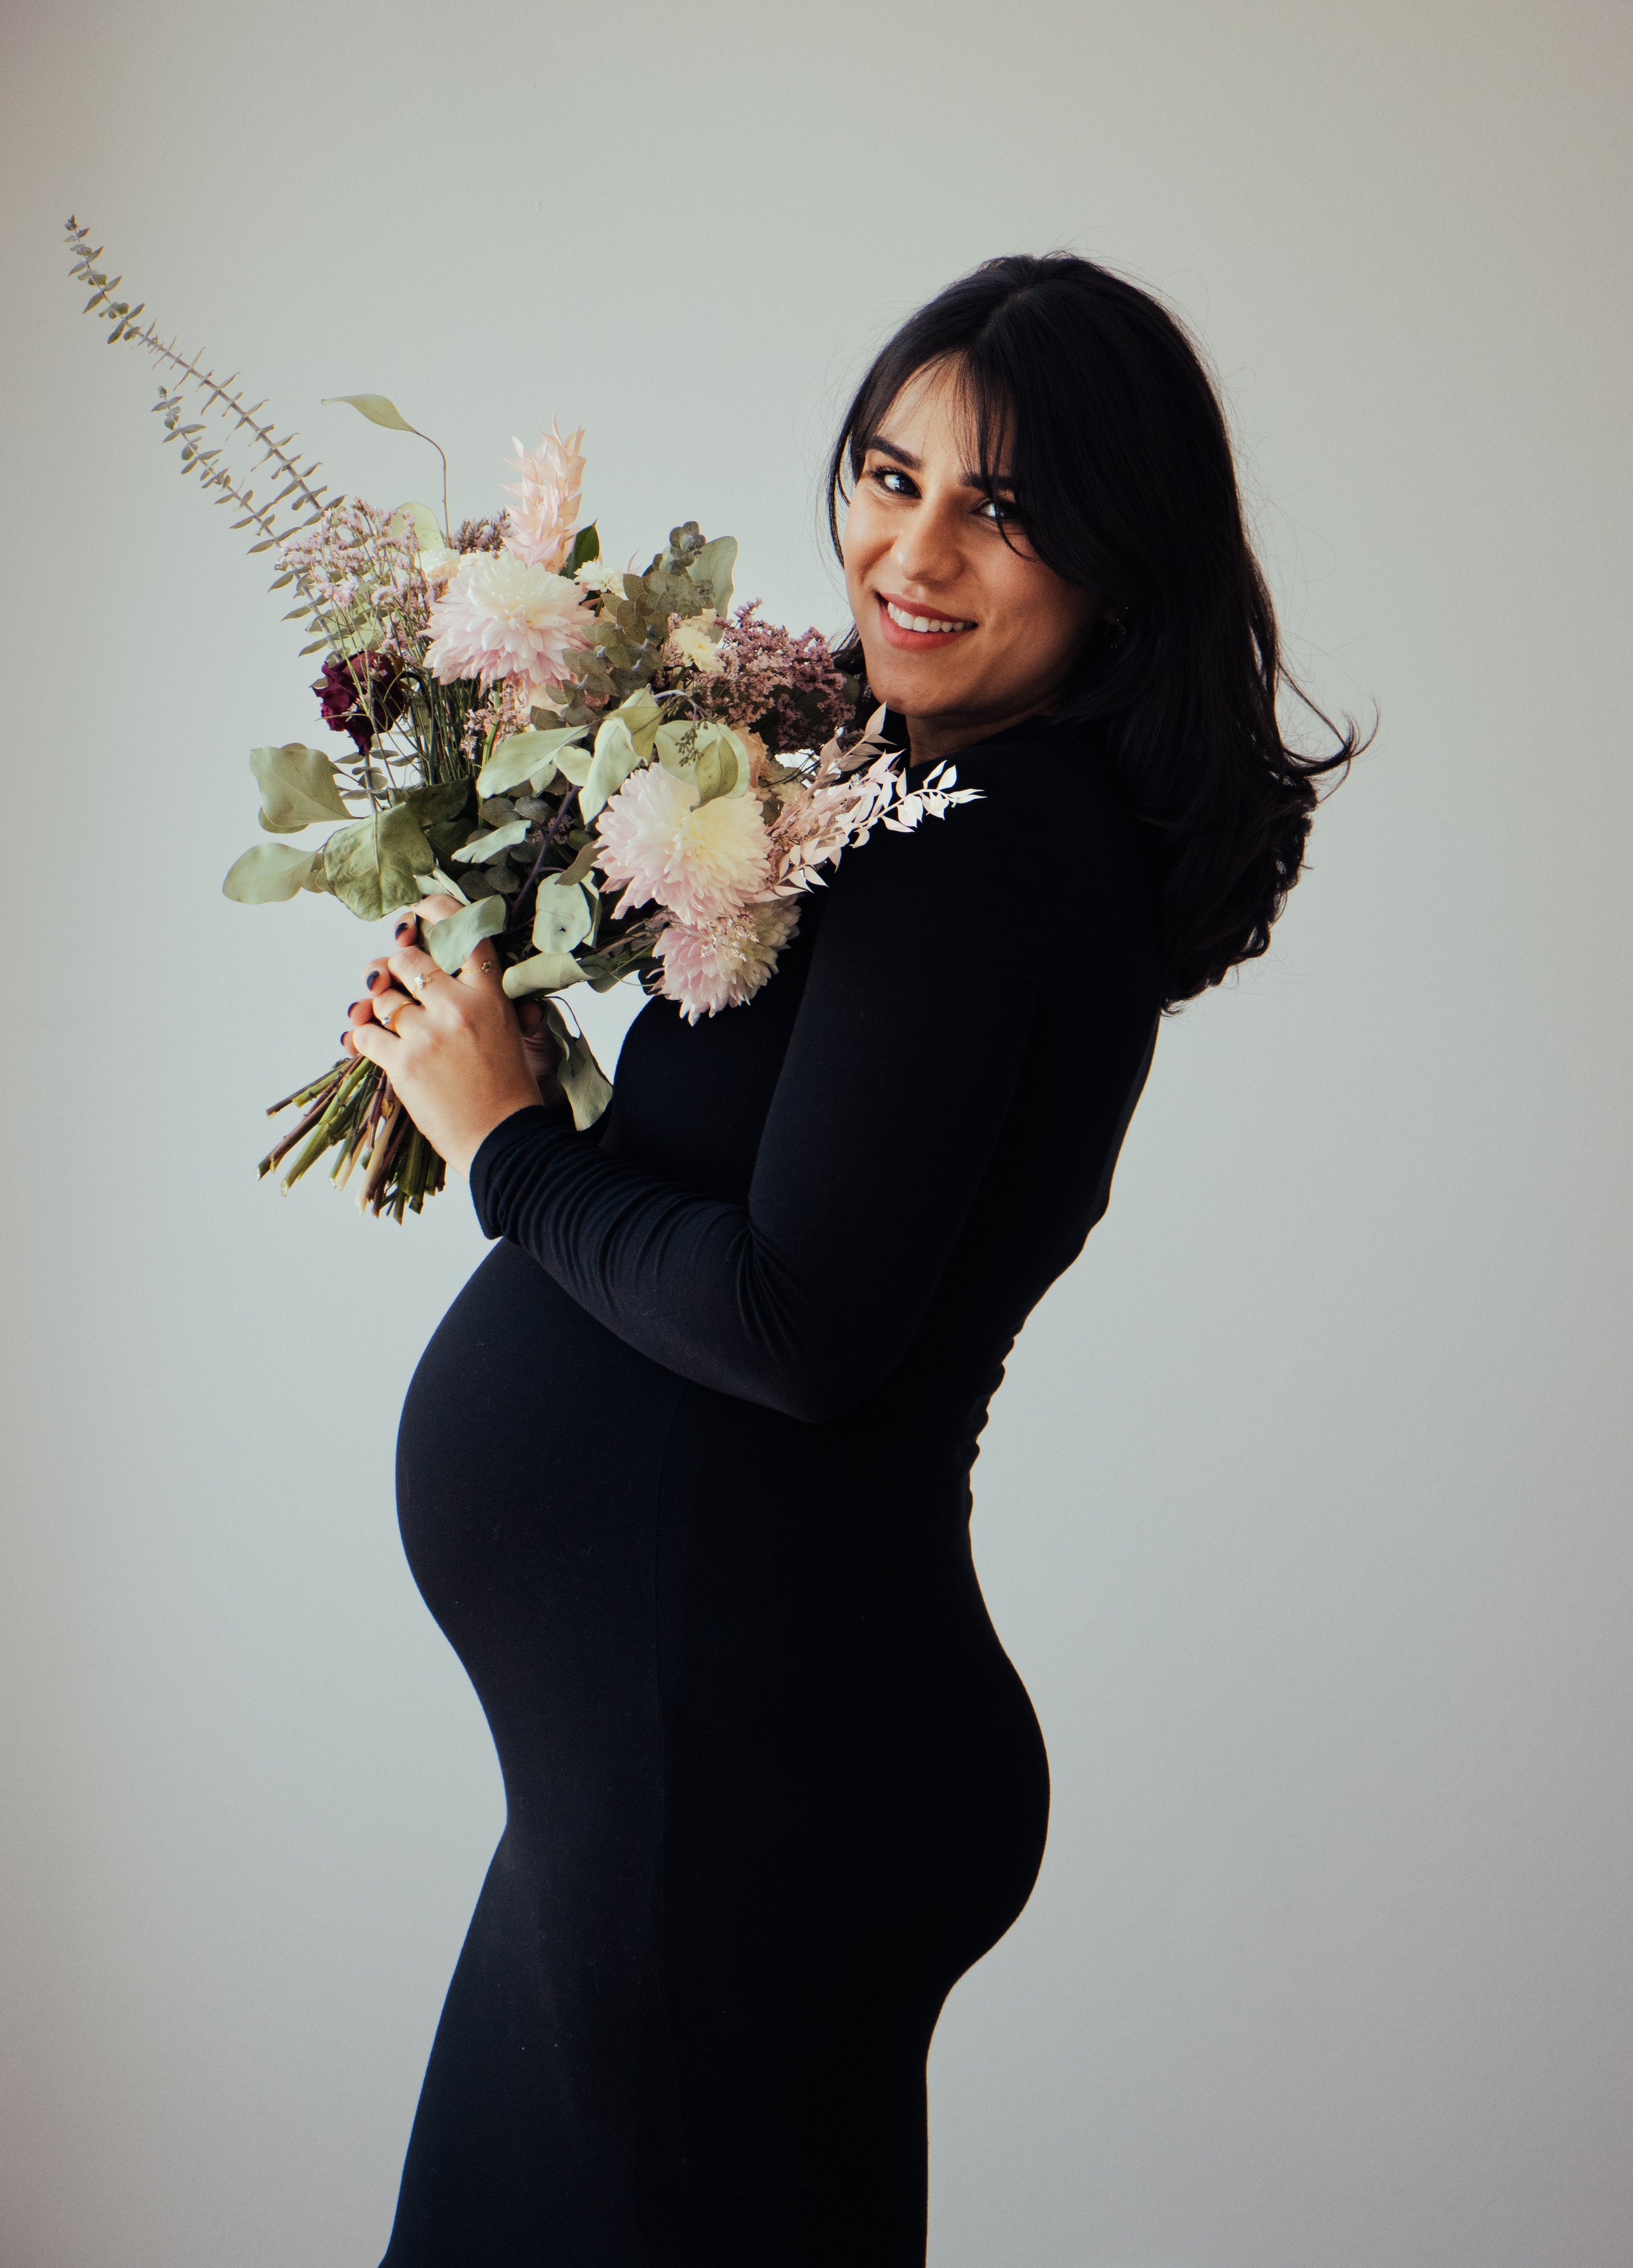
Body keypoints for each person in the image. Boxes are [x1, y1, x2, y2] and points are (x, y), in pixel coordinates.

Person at [342, 253, 1354, 2267]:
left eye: (1001, 508)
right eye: (889, 476)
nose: (910, 549)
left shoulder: (980, 843)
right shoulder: (936, 809)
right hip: (688, 1772)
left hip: (736, 1783)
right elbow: (785, 1218)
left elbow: (799, 1330)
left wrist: (512, 1153)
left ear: (1118, 562)